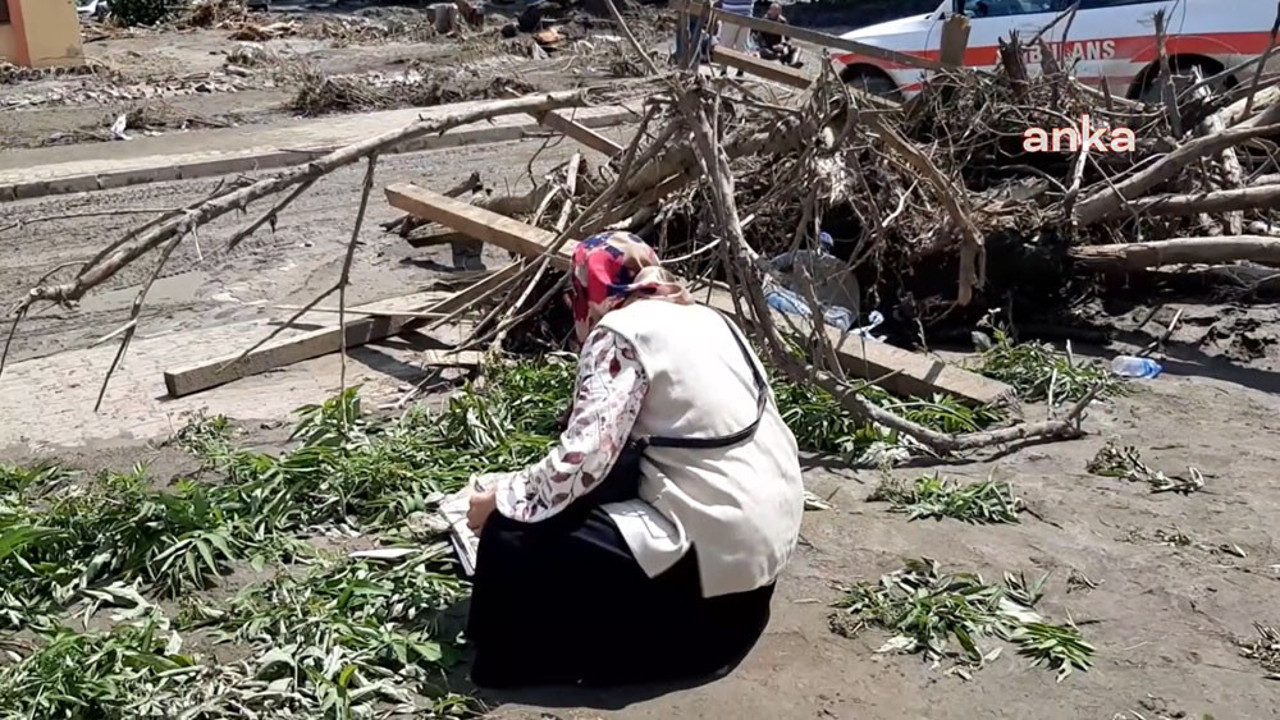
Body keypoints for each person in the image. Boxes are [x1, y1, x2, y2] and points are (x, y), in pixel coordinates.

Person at [464, 231, 805, 689]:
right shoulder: (709, 318)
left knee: (513, 534)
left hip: (709, 596)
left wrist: (501, 500)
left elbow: (582, 460)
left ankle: (509, 664)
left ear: (588, 291)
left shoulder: (620, 334)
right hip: (753, 578)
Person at [762, 232, 860, 332]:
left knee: (772, 297)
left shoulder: (805, 258)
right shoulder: (844, 270)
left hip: (826, 315)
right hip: (837, 319)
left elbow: (772, 265)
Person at [755, 3, 802, 68]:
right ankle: (780, 58)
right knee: (763, 51)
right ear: (770, 10)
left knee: (797, 48)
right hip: (767, 47)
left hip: (778, 46)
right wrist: (768, 46)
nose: (775, 13)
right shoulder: (764, 20)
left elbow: (789, 38)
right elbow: (759, 38)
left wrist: (783, 45)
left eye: (777, 11)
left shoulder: (782, 21)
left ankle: (793, 64)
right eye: (773, 10)